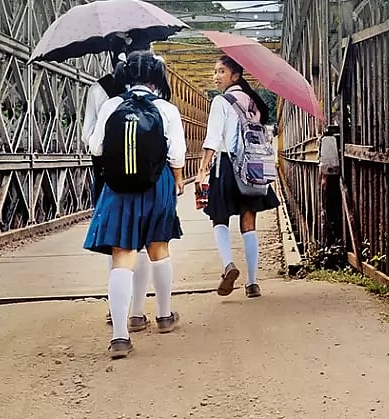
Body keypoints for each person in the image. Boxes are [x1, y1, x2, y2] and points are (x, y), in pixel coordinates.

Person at [84, 51, 186, 359]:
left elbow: (95, 146)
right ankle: (165, 316)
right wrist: (178, 180)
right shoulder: (166, 109)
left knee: (123, 256)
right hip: (157, 184)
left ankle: (120, 336)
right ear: (156, 78)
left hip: (119, 187)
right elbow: (177, 153)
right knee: (159, 248)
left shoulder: (112, 105)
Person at [196, 55, 280, 298]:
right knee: (248, 222)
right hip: (252, 167)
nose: (215, 76)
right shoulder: (253, 103)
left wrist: (203, 169)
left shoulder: (221, 102)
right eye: (215, 71)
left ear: (235, 76)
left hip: (226, 165)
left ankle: (228, 266)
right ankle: (252, 283)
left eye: (221, 71)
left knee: (218, 217)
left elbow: (213, 138)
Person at [82, 43, 152, 330]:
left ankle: (117, 309)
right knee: (146, 240)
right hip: (148, 175)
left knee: (117, 242)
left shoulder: (100, 90)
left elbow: (90, 139)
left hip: (110, 175)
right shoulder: (155, 95)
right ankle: (137, 310)